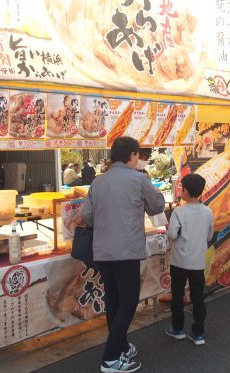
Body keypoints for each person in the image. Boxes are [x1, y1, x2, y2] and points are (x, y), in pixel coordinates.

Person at [82, 136, 165, 373]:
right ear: (132, 156)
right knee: (127, 304)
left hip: (102, 252)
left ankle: (120, 347)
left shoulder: (98, 182)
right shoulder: (139, 179)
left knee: (114, 303)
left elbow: (87, 216)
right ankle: (110, 358)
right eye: (138, 155)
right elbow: (157, 206)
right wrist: (150, 185)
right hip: (126, 251)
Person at [165, 174, 214, 345]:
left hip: (179, 261)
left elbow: (171, 234)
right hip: (197, 261)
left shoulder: (179, 211)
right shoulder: (207, 211)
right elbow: (209, 235)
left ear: (185, 191)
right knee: (198, 296)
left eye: (182, 188)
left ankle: (177, 329)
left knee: (177, 295)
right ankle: (198, 332)